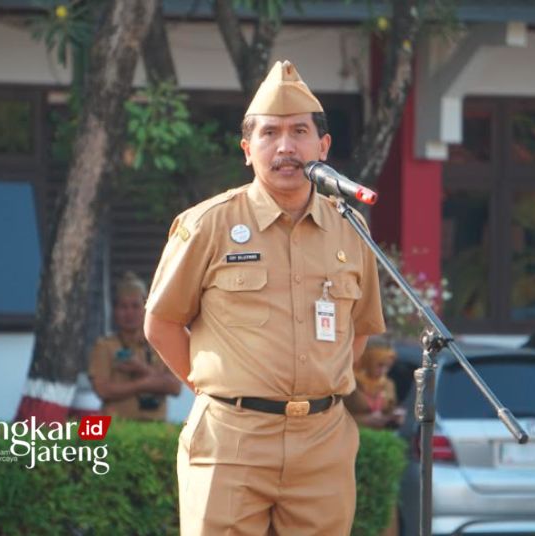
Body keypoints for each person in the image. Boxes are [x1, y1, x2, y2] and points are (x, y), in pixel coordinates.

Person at [144, 60, 385, 535]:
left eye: (299, 131)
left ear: (323, 146)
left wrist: (318, 386)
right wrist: (222, 393)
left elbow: (358, 331)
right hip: (232, 440)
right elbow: (162, 323)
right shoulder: (208, 224)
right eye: (270, 133)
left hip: (322, 441)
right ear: (247, 150)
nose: (285, 146)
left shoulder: (350, 230)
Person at [88, 271, 181, 421]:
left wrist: (141, 369)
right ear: (115, 311)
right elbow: (102, 390)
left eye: (135, 306)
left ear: (145, 309)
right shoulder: (105, 346)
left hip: (155, 428)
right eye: (123, 307)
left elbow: (175, 388)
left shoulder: (160, 345)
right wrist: (146, 384)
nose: (129, 313)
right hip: (116, 427)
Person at [344, 341, 405, 429]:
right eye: (380, 365)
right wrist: (362, 420)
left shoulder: (388, 384)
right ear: (367, 361)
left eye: (388, 366)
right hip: (352, 434)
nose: (384, 371)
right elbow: (334, 415)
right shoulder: (348, 382)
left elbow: (390, 409)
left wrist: (395, 417)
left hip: (378, 438)